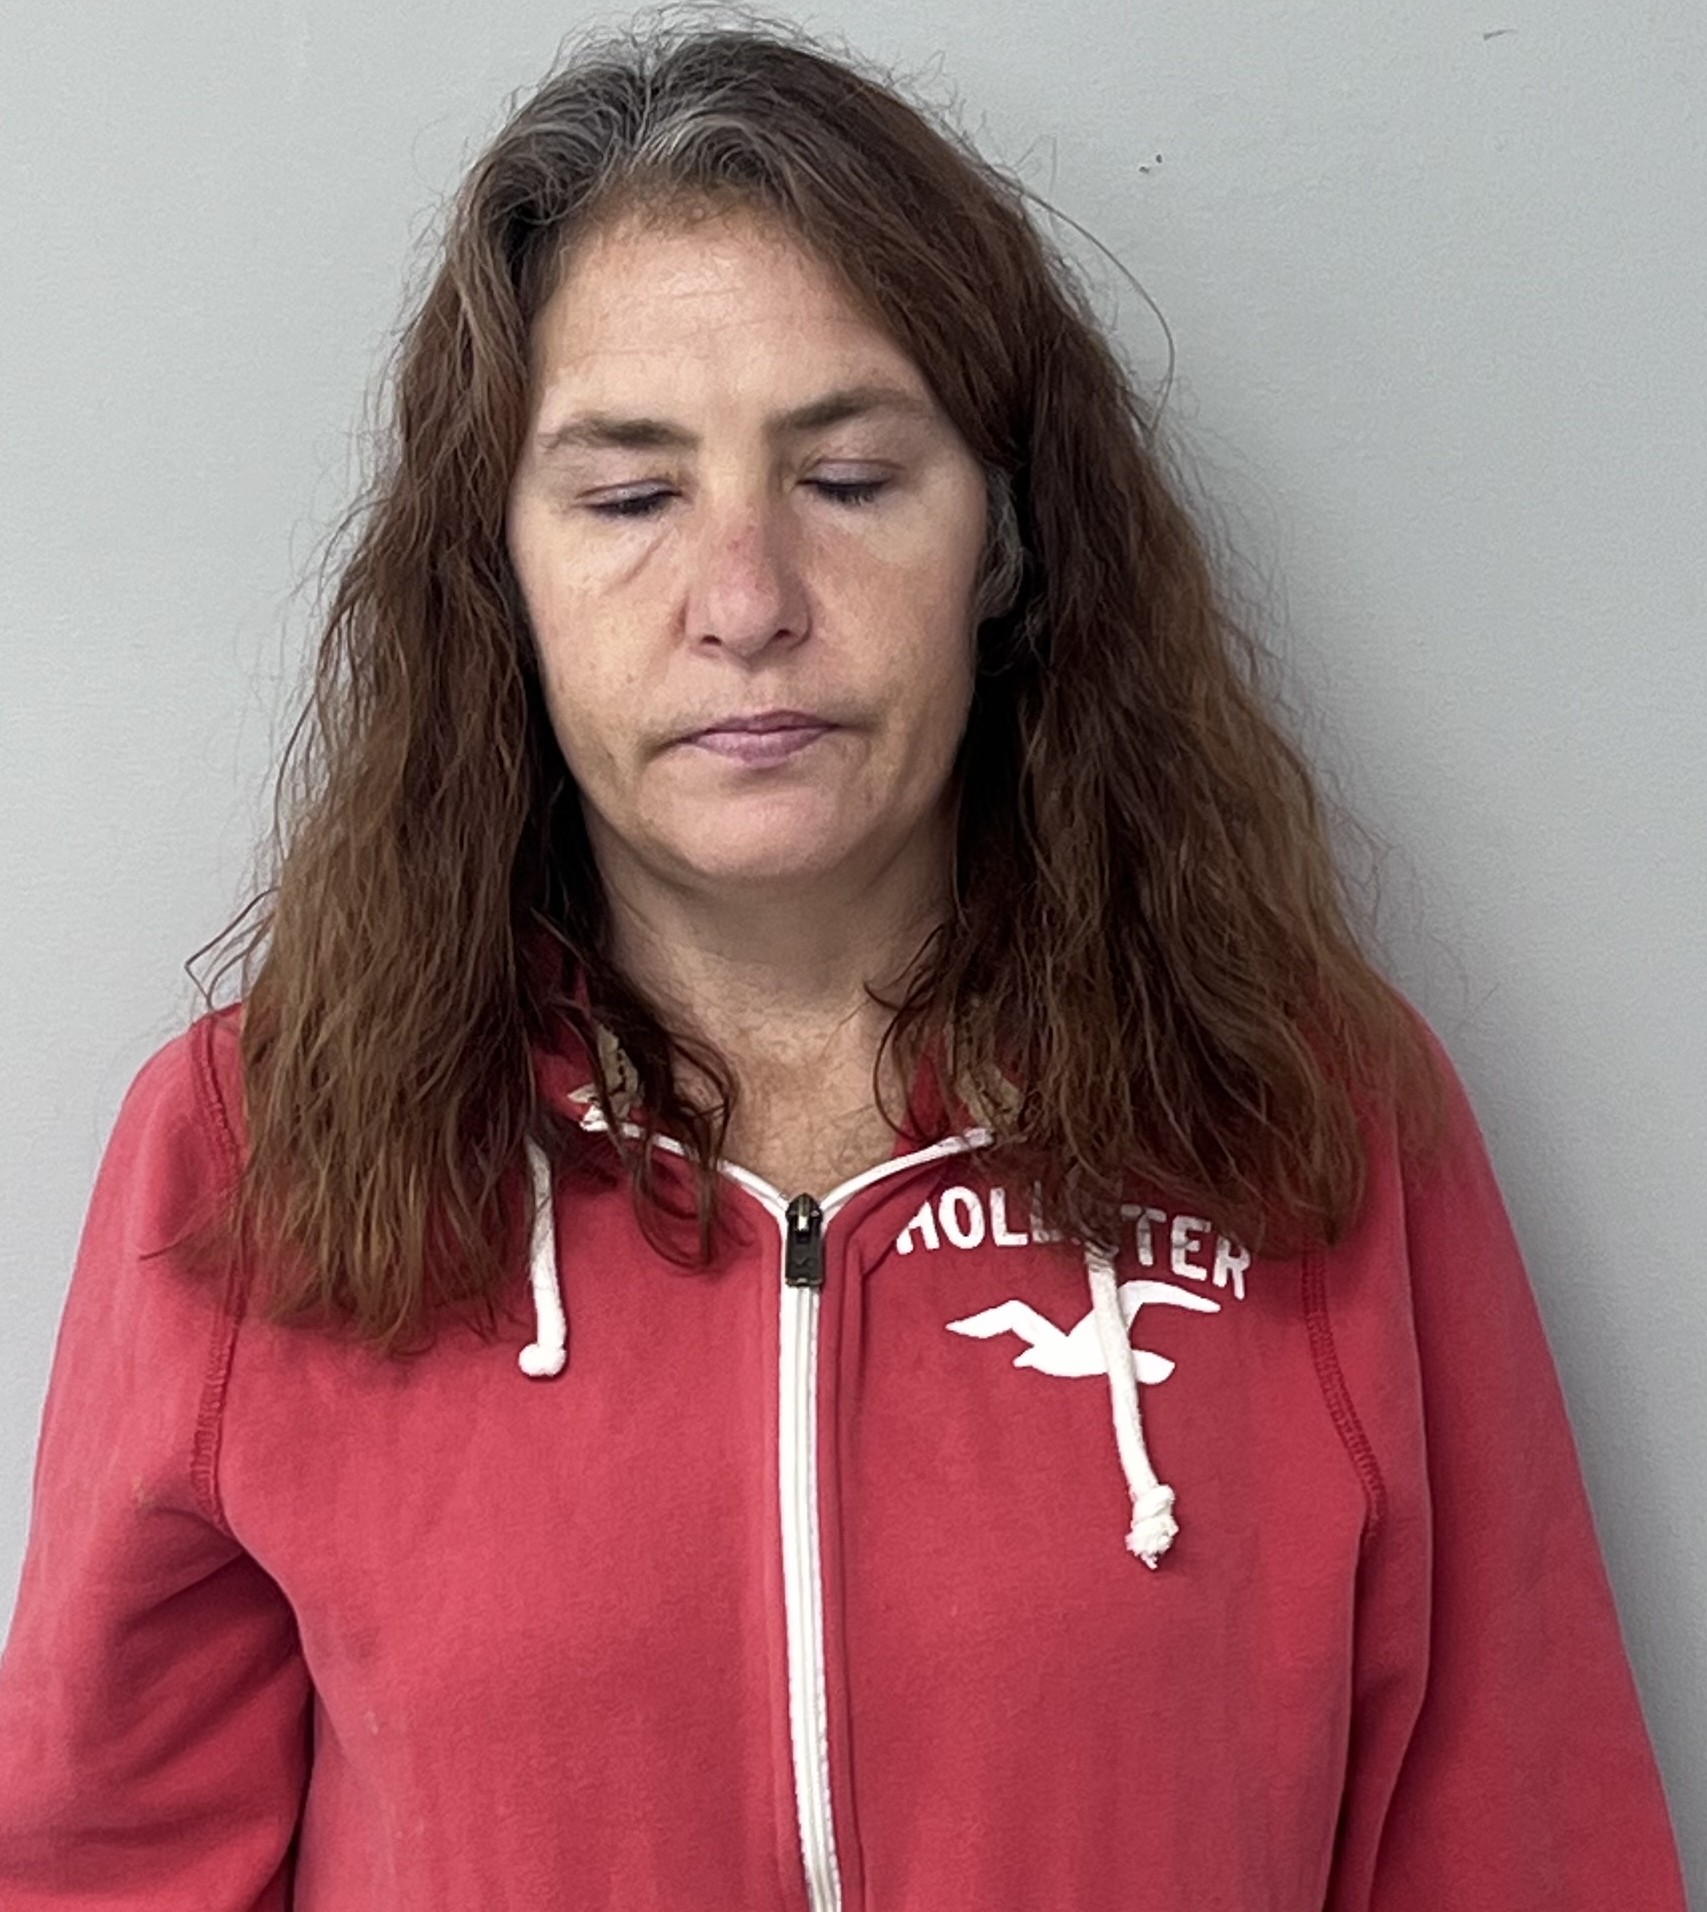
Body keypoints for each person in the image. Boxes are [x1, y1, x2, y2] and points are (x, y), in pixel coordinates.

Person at [0, 10, 1688, 1908]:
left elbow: (1530, 1853)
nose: (745, 603)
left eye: (852, 479)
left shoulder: (1307, 1115)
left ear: (1006, 543)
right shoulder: (254, 1148)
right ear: (500, 576)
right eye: (629, 497)